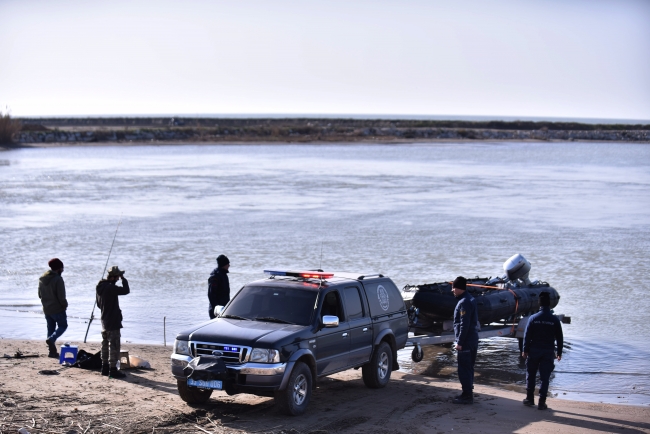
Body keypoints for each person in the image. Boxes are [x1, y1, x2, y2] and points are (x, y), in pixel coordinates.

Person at [522, 291, 563, 410]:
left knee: (531, 375)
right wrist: (559, 353)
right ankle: (541, 402)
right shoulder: (554, 320)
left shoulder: (533, 318)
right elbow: (560, 337)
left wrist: (525, 350)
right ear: (549, 304)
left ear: (539, 304)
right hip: (548, 351)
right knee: (545, 377)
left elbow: (527, 336)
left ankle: (529, 399)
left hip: (534, 350)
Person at [96, 266, 130, 378]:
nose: (118, 279)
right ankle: (113, 370)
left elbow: (98, 305)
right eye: (118, 277)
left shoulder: (100, 287)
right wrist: (124, 279)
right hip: (113, 321)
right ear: (114, 277)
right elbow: (126, 290)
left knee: (105, 345)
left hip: (104, 320)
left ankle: (104, 367)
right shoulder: (110, 287)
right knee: (114, 346)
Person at [451, 276, 480, 404]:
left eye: (453, 288)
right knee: (469, 367)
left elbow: (464, 324)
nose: (452, 290)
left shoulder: (464, 302)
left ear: (459, 288)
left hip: (466, 341)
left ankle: (467, 395)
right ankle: (468, 391)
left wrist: (460, 342)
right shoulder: (470, 299)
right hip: (472, 339)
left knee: (464, 368)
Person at [38, 258, 68, 358]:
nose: (62, 270)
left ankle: (52, 352)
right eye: (62, 268)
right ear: (58, 268)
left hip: (46, 308)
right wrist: (64, 305)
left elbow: (39, 294)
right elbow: (61, 296)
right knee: (63, 326)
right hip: (57, 309)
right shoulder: (58, 279)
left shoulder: (42, 278)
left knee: (51, 328)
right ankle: (52, 339)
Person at [208, 254, 230, 319]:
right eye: (227, 264)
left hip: (224, 309)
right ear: (224, 265)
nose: (229, 265)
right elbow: (211, 295)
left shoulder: (224, 275)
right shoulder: (215, 277)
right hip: (216, 310)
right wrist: (216, 309)